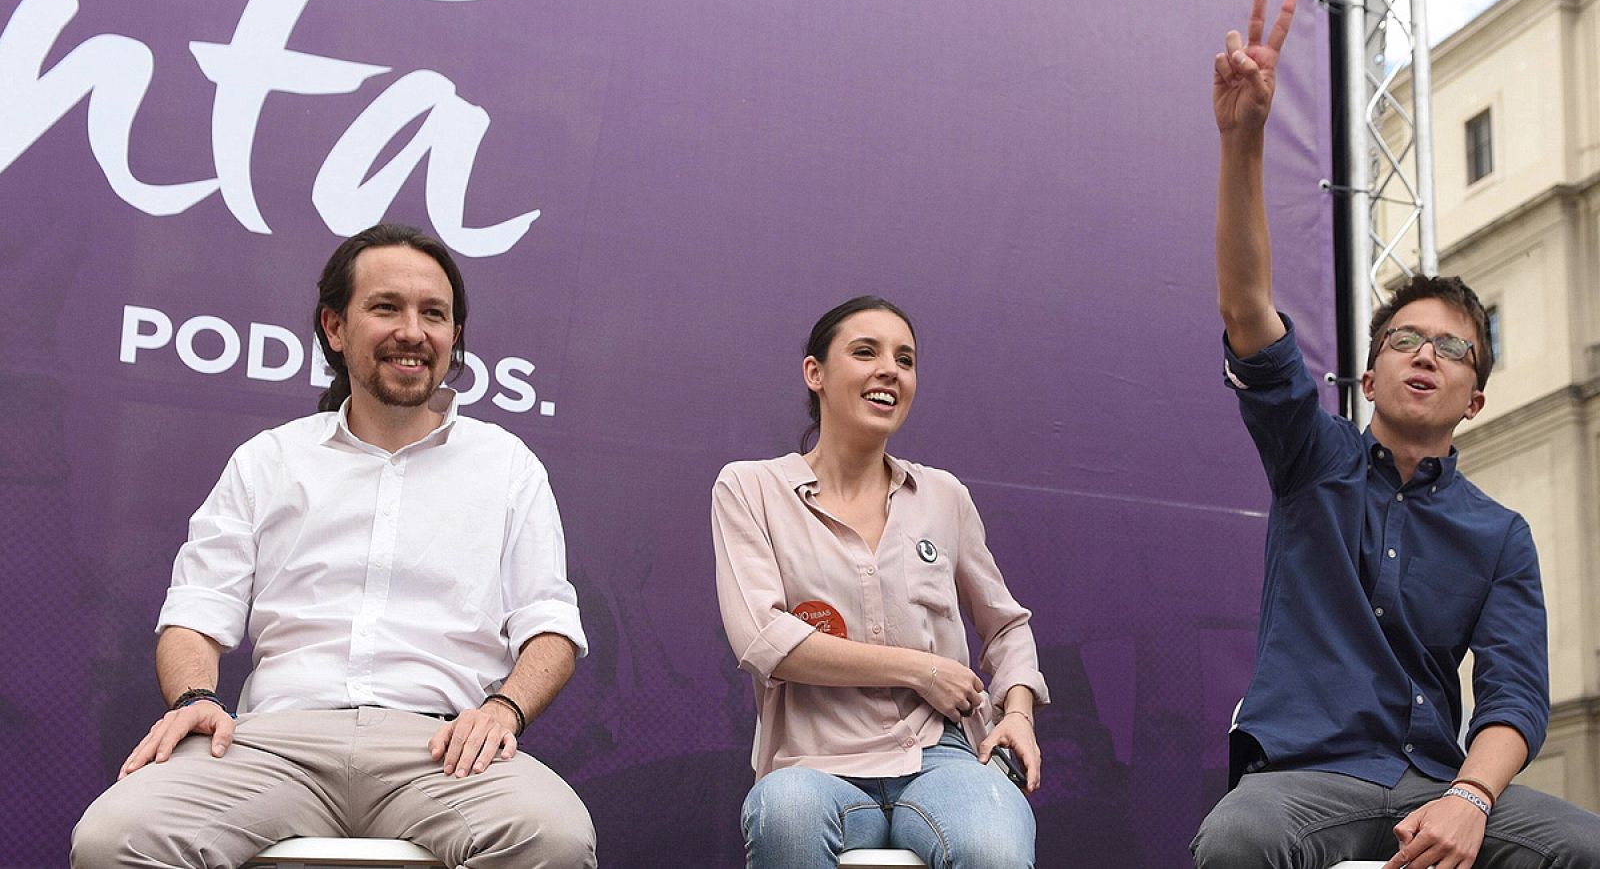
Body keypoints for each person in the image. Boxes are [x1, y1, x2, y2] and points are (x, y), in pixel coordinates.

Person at [1192, 0, 1600, 869]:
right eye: (1405, 339)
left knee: (1582, 845)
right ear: (1370, 375)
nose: (1426, 354)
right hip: (1303, 779)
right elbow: (1246, 304)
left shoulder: (1499, 536)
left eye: (1451, 349)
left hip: (1436, 783)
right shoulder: (1311, 455)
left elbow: (1515, 699)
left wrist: (1468, 796)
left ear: (1476, 398)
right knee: (1239, 839)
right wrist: (1244, 139)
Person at [71, 223, 596, 869]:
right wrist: (194, 699)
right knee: (113, 839)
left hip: (441, 749)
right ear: (334, 326)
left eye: (434, 313)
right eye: (385, 307)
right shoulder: (269, 460)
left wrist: (504, 710)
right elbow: (193, 618)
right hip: (273, 745)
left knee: (554, 838)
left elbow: (550, 626)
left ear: (454, 336)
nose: (412, 331)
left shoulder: (507, 465)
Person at [712, 296, 1049, 869]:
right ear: (815, 374)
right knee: (785, 813)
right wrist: (923, 669)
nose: (890, 370)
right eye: (865, 352)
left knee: (992, 842)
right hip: (812, 763)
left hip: (941, 758)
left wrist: (1017, 711)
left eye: (906, 359)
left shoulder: (944, 496)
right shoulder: (750, 489)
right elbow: (764, 640)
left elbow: (1007, 626)